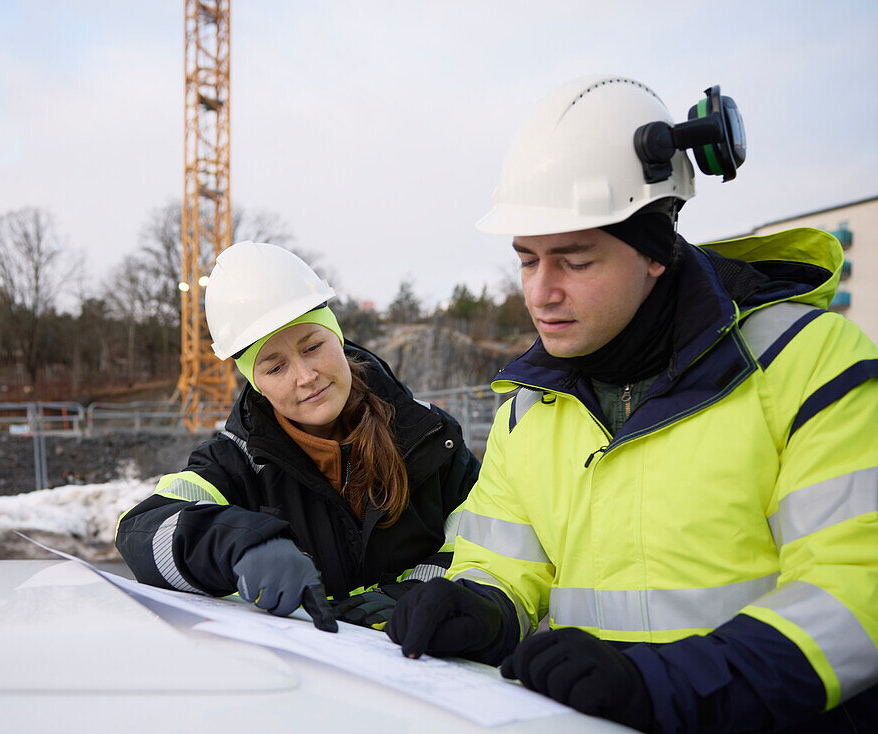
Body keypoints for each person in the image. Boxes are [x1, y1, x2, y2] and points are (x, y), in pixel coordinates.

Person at [386, 75, 877, 732]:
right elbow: (506, 564)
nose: (541, 292)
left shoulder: (809, 363)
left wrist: (665, 684)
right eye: (527, 260)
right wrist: (481, 609)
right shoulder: (526, 408)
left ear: (656, 250)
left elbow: (853, 593)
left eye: (574, 260)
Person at [116, 241, 480, 632]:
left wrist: (412, 595)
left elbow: (486, 543)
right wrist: (240, 543)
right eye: (275, 368)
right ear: (256, 385)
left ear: (337, 338)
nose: (305, 376)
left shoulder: (431, 438)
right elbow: (142, 529)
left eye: (313, 346)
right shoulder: (237, 463)